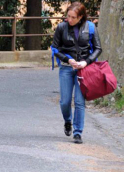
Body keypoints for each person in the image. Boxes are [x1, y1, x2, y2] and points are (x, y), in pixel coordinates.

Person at [51, 2, 102, 144]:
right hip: (67, 68)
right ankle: (68, 120)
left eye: (73, 17)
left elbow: (98, 48)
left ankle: (78, 132)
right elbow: (55, 49)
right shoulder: (62, 27)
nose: (69, 19)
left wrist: (86, 62)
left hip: (84, 69)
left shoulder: (91, 27)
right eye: (68, 16)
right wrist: (68, 59)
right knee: (65, 101)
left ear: (80, 17)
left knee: (79, 102)